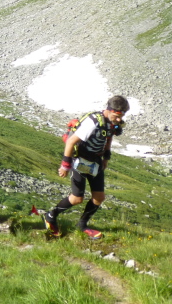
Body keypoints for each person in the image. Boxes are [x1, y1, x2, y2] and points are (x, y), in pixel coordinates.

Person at [43, 95, 129, 240]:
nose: (119, 120)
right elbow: (71, 142)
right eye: (117, 116)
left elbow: (108, 137)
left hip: (96, 161)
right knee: (77, 198)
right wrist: (65, 165)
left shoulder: (111, 122)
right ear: (109, 110)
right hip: (80, 160)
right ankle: (50, 216)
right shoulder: (93, 122)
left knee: (99, 197)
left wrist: (106, 158)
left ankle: (82, 225)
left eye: (122, 116)